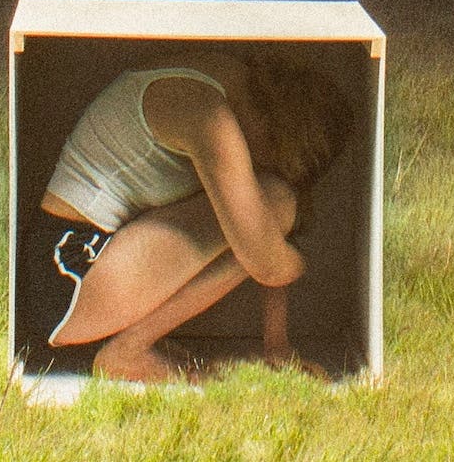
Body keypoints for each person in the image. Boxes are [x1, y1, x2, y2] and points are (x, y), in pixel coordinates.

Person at [21, 47, 353, 381]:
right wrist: (299, 263)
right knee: (276, 203)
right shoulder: (209, 118)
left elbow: (265, 234)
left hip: (75, 269)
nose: (261, 165)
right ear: (276, 130)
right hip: (67, 277)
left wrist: (278, 346)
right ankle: (126, 352)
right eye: (271, 158)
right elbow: (266, 260)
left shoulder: (228, 82)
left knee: (271, 206)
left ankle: (127, 345)